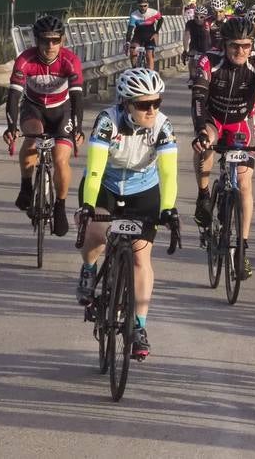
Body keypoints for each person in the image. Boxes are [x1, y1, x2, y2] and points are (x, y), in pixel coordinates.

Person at [75, 68, 181, 361]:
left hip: (143, 189)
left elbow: (169, 173)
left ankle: (139, 326)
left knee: (140, 257)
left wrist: (168, 209)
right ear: (126, 103)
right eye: (144, 104)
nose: (151, 110)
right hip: (106, 186)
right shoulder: (107, 121)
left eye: (156, 103)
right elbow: (94, 168)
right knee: (96, 234)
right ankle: (88, 268)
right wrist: (87, 206)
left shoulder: (162, 125)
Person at [190, 17, 255, 279]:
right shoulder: (208, 60)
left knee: (244, 183)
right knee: (205, 143)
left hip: (240, 123)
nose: (240, 51)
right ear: (224, 44)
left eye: (245, 45)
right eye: (234, 46)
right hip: (213, 118)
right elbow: (198, 98)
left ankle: (242, 247)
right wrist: (199, 132)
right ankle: (204, 194)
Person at [4, 15, 85, 236]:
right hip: (34, 108)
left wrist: (78, 127)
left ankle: (59, 206)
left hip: (62, 110)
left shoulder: (70, 60)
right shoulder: (25, 60)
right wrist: (11, 127)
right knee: (32, 138)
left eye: (55, 40)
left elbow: (78, 97)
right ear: (36, 40)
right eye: (44, 40)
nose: (50, 46)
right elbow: (13, 96)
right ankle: (26, 186)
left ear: (63, 40)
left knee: (60, 158)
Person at [125, 0, 163, 71]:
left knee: (149, 55)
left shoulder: (153, 12)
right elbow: (130, 30)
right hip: (138, 36)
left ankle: (150, 73)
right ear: (137, 5)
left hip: (150, 36)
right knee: (133, 50)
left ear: (148, 5)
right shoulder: (134, 15)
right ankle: (135, 70)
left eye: (145, 6)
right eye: (140, 6)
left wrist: (156, 32)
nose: (143, 8)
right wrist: (128, 42)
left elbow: (161, 20)